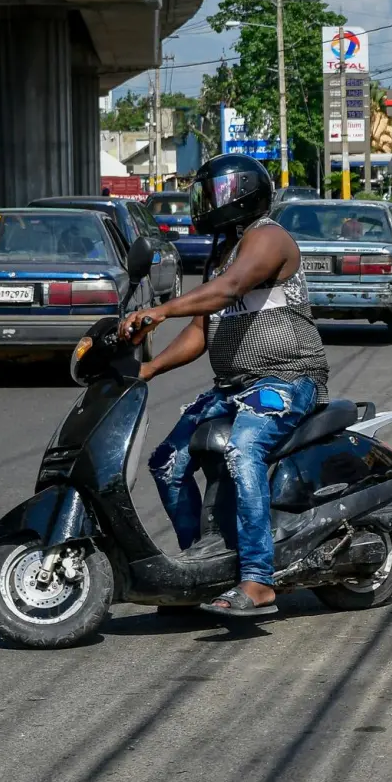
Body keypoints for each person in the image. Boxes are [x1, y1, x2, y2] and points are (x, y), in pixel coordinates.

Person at [119, 153, 329, 617]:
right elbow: (201, 331)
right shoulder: (222, 253)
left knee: (242, 449)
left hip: (287, 378)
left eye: (213, 193)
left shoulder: (268, 238)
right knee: (167, 462)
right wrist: (148, 370)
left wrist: (160, 310)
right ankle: (200, 570)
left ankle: (258, 578)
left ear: (242, 194)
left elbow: (231, 289)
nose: (205, 203)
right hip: (235, 387)